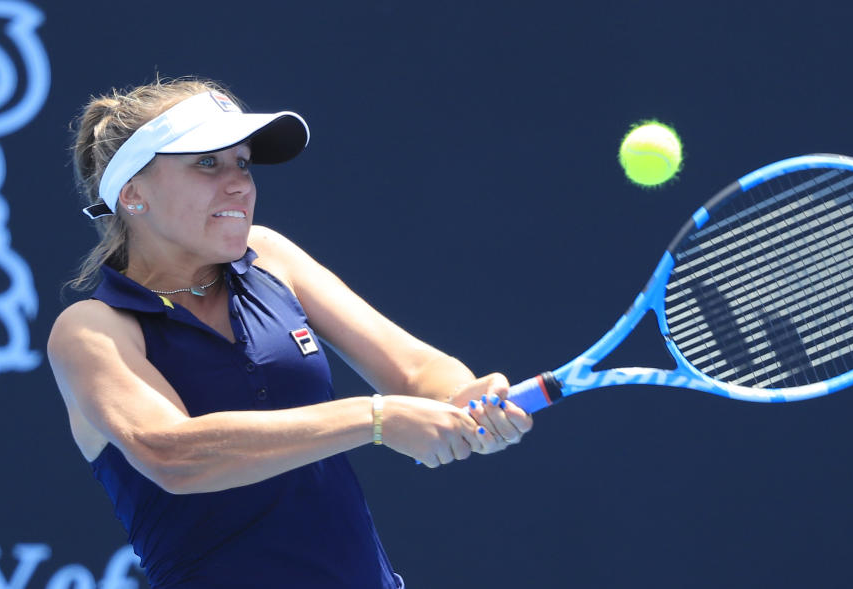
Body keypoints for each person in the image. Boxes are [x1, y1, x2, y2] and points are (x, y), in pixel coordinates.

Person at [47, 77, 533, 589]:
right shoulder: (91, 330)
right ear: (132, 193)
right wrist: (374, 418)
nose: (238, 183)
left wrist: (464, 400)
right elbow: (173, 455)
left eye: (242, 163)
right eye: (207, 163)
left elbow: (415, 369)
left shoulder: (271, 257)